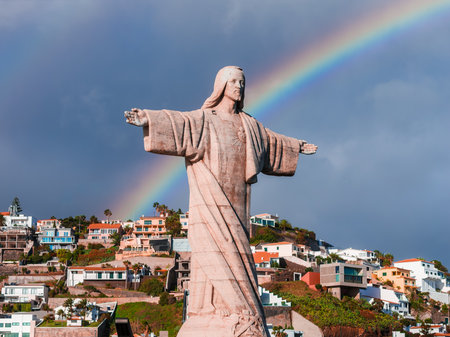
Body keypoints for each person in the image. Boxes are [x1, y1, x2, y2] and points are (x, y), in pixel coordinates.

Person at [125, 66, 317, 337]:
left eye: (242, 82)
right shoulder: (205, 120)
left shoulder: (249, 125)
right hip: (210, 200)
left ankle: (245, 315)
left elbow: (272, 142)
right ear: (222, 86)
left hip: (238, 203)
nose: (239, 87)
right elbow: (179, 122)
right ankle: (212, 314)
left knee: (237, 252)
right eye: (234, 82)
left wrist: (296, 146)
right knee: (211, 250)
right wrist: (148, 119)